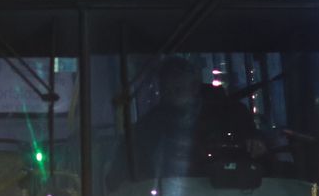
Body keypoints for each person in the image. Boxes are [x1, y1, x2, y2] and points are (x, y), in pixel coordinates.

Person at [108, 55, 264, 188]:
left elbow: (261, 153)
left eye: (178, 89)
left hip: (233, 195)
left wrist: (256, 146)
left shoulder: (233, 115)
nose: (172, 96)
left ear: (195, 87)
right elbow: (122, 171)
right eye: (166, 90)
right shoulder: (150, 125)